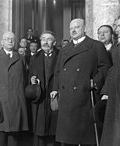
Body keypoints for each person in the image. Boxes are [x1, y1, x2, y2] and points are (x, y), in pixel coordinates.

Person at [50, 18, 112, 146]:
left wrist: (95, 82)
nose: (73, 30)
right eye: (71, 28)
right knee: (67, 140)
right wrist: (55, 89)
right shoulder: (65, 49)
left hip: (85, 99)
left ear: (85, 29)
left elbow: (106, 68)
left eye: (77, 27)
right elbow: (57, 71)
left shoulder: (95, 46)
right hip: (66, 101)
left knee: (86, 140)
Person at [0, 32, 28, 146]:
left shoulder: (20, 58)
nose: (10, 41)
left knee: (14, 137)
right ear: (2, 42)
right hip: (0, 103)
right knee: (0, 136)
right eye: (7, 39)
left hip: (16, 103)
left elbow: (25, 79)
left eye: (12, 39)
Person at [29, 31, 60, 146]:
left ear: (55, 42)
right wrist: (32, 80)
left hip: (55, 97)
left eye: (49, 39)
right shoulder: (35, 57)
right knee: (40, 130)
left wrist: (57, 89)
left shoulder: (60, 55)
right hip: (40, 99)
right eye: (43, 39)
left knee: (54, 131)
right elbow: (30, 75)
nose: (45, 42)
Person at [100, 17, 120, 146]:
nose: (117, 29)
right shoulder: (117, 47)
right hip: (114, 91)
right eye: (116, 26)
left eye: (119, 26)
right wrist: (106, 90)